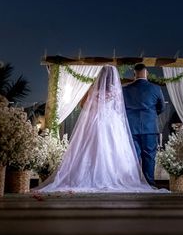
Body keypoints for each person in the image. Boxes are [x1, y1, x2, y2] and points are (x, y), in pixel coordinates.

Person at [37, 65, 164, 193]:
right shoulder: (122, 90)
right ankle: (146, 182)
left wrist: (96, 110)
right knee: (136, 155)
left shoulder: (99, 90)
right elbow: (124, 109)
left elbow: (84, 105)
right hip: (125, 125)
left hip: (98, 123)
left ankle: (92, 177)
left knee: (94, 152)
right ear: (146, 72)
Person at [122, 63, 165, 186]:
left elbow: (121, 108)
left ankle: (132, 183)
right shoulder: (155, 88)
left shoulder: (125, 89)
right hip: (149, 128)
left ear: (134, 74)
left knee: (132, 157)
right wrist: (150, 115)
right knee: (149, 156)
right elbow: (161, 107)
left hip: (131, 128)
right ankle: (149, 183)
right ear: (147, 73)